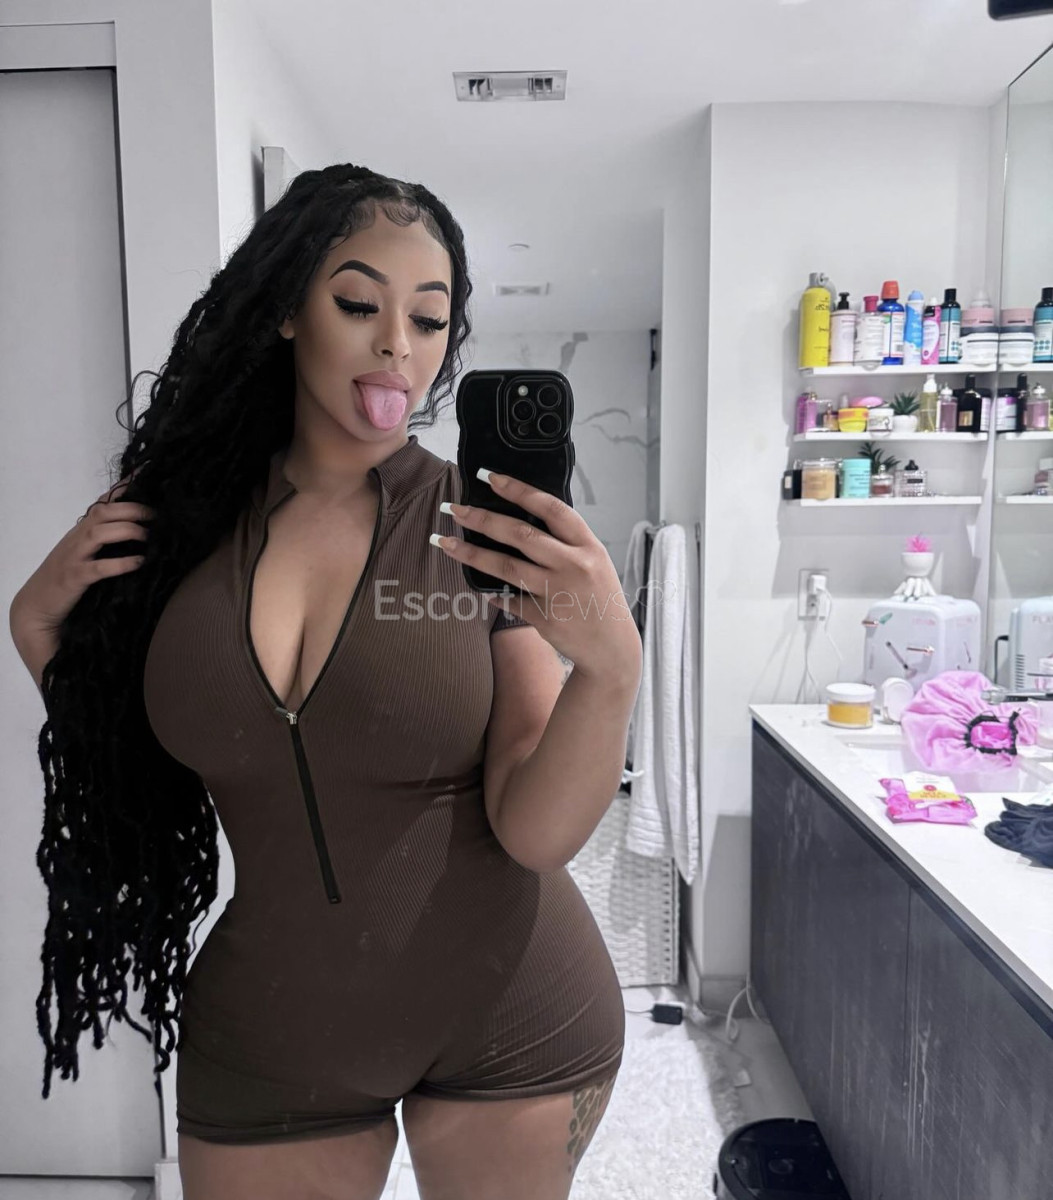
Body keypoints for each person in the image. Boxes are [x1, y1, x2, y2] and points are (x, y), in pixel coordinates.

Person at [8, 164, 642, 1200]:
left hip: (514, 1013)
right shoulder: (181, 529)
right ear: (287, 311)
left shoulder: (474, 529)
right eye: (358, 304)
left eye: (428, 320)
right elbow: (134, 776)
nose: (399, 344)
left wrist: (612, 669)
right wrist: (36, 629)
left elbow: (534, 829)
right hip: (273, 1035)